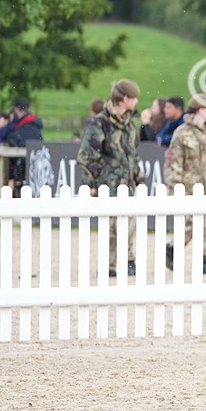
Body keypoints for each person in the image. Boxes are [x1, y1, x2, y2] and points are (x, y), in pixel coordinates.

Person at [77, 80, 143, 277]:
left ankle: (130, 260)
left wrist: (138, 175)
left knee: (130, 223)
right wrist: (90, 183)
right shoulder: (99, 123)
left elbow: (133, 153)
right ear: (124, 99)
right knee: (112, 227)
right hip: (108, 183)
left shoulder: (130, 124)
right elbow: (87, 155)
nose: (137, 101)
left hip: (127, 183)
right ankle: (110, 265)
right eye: (134, 98)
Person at [165, 94, 206, 274]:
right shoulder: (182, 133)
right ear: (200, 109)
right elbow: (173, 162)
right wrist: (175, 186)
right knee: (192, 223)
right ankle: (173, 247)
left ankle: (204, 260)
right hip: (190, 187)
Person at [0, 96, 44, 186]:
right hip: (36, 164)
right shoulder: (35, 124)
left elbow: (7, 137)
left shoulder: (19, 126)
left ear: (16, 109)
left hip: (21, 164)